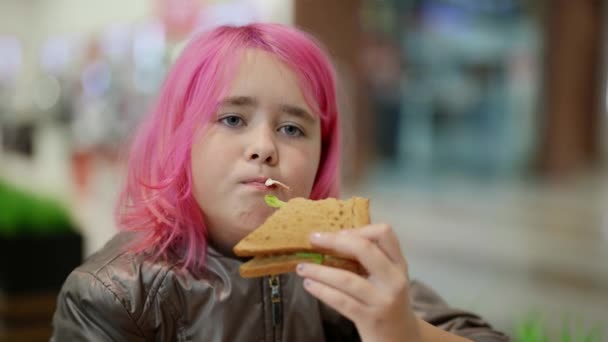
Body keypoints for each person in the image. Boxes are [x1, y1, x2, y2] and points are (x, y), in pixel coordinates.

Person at [51, 23, 509, 342]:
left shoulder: (339, 265)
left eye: (293, 129)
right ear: (180, 139)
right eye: (233, 119)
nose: (264, 147)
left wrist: (403, 333)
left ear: (320, 156)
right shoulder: (113, 293)